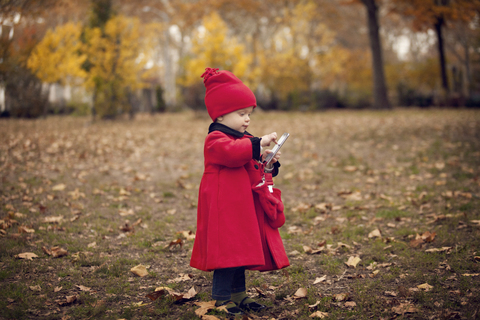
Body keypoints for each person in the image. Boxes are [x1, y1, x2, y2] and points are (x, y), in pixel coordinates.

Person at [190, 68, 290, 316]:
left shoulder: (242, 138)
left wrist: (267, 161)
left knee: (240, 251)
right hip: (223, 207)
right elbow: (232, 153)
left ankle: (239, 296)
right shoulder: (216, 139)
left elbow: (250, 164)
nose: (247, 119)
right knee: (226, 252)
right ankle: (222, 299)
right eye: (241, 113)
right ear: (221, 115)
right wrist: (258, 142)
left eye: (249, 114)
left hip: (241, 207)